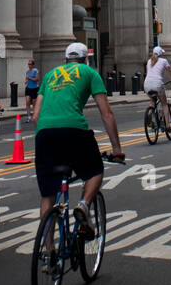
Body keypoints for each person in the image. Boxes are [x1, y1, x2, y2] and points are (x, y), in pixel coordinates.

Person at [33, 42, 124, 239]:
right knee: (95, 171)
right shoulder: (89, 73)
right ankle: (83, 205)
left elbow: (35, 116)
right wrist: (116, 148)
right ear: (85, 60)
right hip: (73, 130)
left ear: (65, 60)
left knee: (48, 195)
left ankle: (48, 254)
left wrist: (49, 132)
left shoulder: (49, 75)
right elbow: (106, 114)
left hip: (45, 134)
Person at [144, 45, 171, 119]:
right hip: (157, 84)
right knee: (164, 104)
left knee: (152, 101)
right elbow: (170, 72)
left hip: (147, 84)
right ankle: (167, 125)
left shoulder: (149, 61)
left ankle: (149, 117)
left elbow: (149, 73)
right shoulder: (164, 61)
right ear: (160, 53)